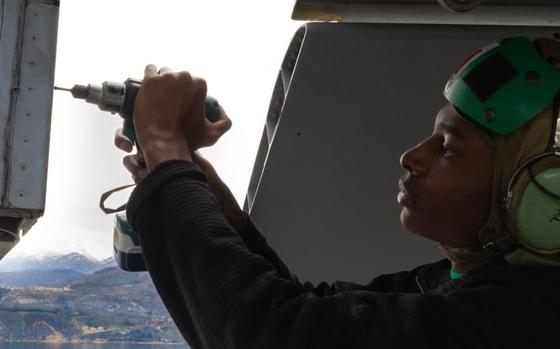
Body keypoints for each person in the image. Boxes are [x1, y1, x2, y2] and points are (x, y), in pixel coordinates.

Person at [114, 37, 560, 348]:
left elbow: (268, 334)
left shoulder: (521, 321)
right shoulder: (462, 286)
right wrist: (200, 186)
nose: (411, 156)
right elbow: (310, 315)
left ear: (544, 197)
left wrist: (166, 149)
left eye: (447, 148)